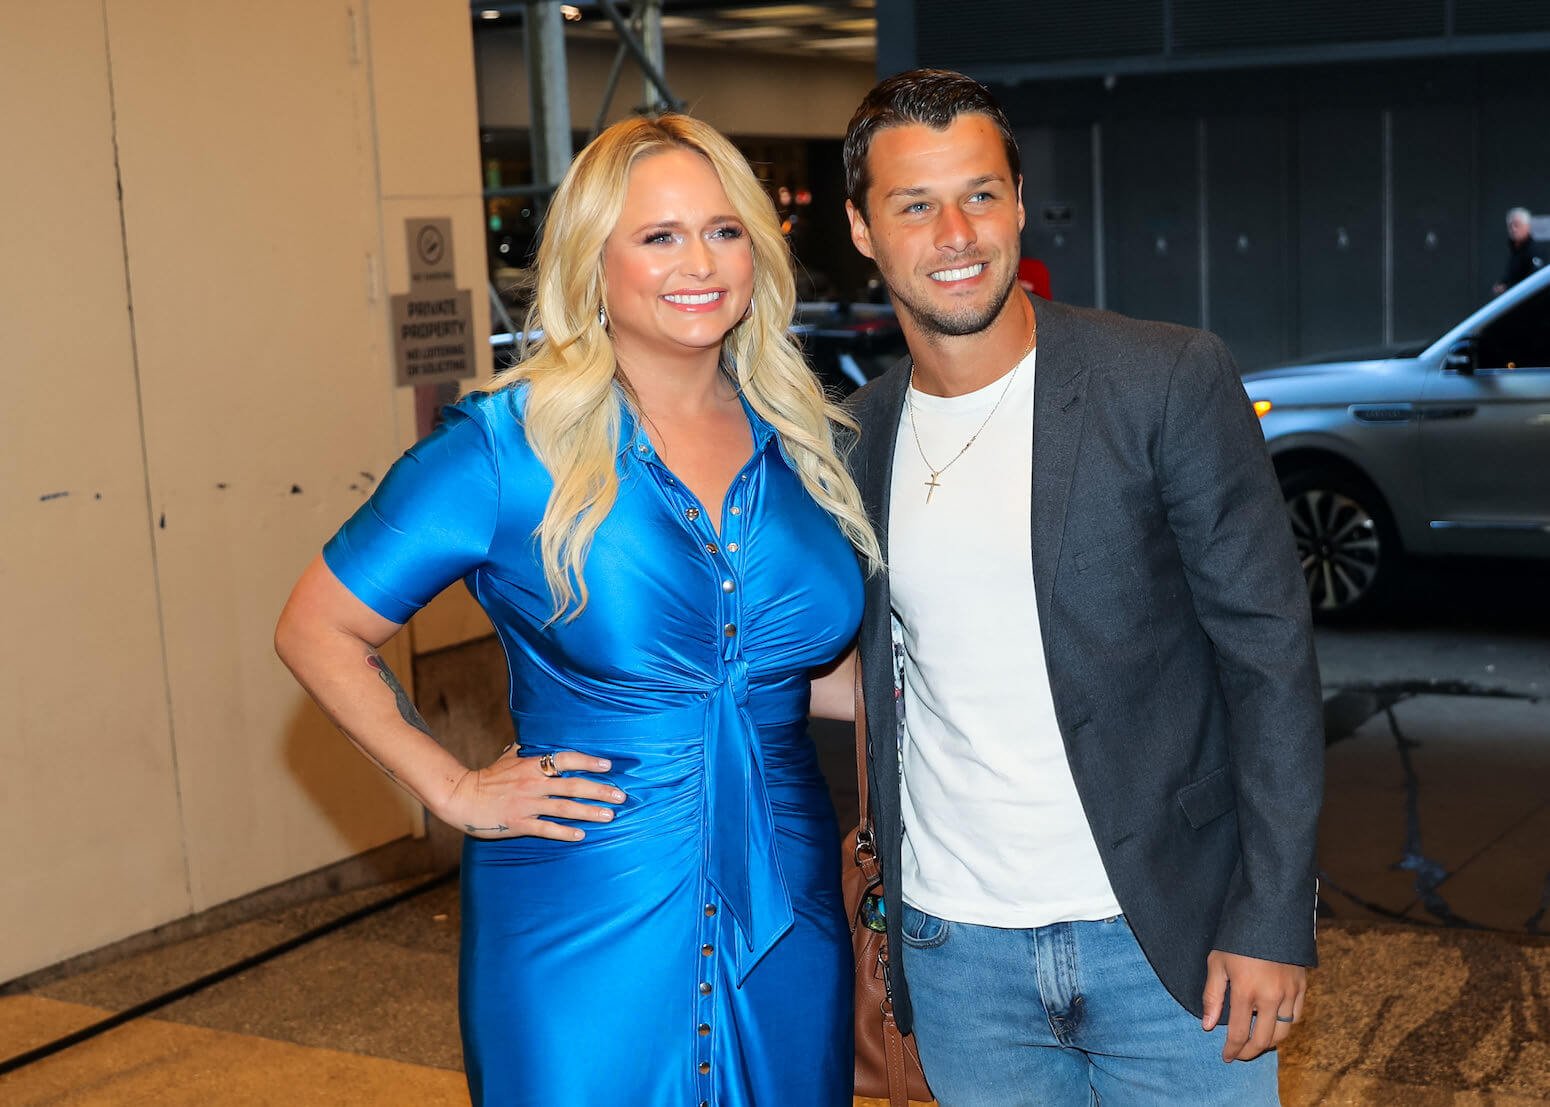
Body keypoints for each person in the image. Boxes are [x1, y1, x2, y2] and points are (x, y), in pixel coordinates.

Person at [275, 113, 880, 1106]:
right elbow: (315, 627)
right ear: (592, 261)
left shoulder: (800, 437)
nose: (699, 262)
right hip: (582, 903)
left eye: (724, 230)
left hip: (787, 912)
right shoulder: (505, 448)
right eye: (658, 236)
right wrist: (452, 789)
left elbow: (772, 669)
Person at [825, 68, 1324, 1104]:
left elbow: (1267, 657)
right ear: (863, 231)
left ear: (1015, 202)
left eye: (977, 194)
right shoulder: (851, 437)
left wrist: (1270, 916)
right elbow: (862, 663)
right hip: (958, 958)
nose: (953, 232)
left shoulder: (1164, 380)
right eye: (912, 205)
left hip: (1169, 951)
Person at [1493, 206, 1544, 295]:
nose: (1513, 229)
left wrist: (1508, 287)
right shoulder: (1515, 251)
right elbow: (1512, 275)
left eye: (1517, 225)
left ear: (1527, 226)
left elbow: (1535, 280)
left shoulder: (1534, 250)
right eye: (1510, 225)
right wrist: (1502, 284)